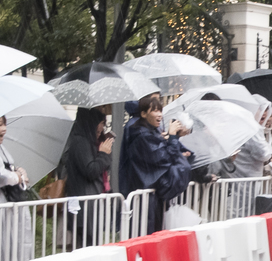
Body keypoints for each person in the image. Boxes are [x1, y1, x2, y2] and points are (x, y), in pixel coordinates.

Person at [123, 95, 192, 234]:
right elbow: (163, 158)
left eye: (160, 110)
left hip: (154, 196)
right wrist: (172, 138)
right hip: (144, 197)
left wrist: (175, 138)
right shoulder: (140, 135)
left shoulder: (153, 132)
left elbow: (166, 154)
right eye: (154, 110)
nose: (160, 115)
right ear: (143, 114)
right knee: (145, 235)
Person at [64, 107, 114, 246]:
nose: (102, 127)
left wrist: (104, 151)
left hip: (90, 204)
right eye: (101, 123)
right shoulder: (80, 142)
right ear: (91, 122)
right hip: (84, 205)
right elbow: (90, 170)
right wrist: (103, 154)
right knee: (86, 245)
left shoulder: (89, 141)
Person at [0, 115, 32, 261]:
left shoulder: (3, 149)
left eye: (4, 124)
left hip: (8, 207)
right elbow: (3, 176)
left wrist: (18, 173)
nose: (4, 129)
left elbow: (9, 172)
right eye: (0, 124)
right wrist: (17, 176)